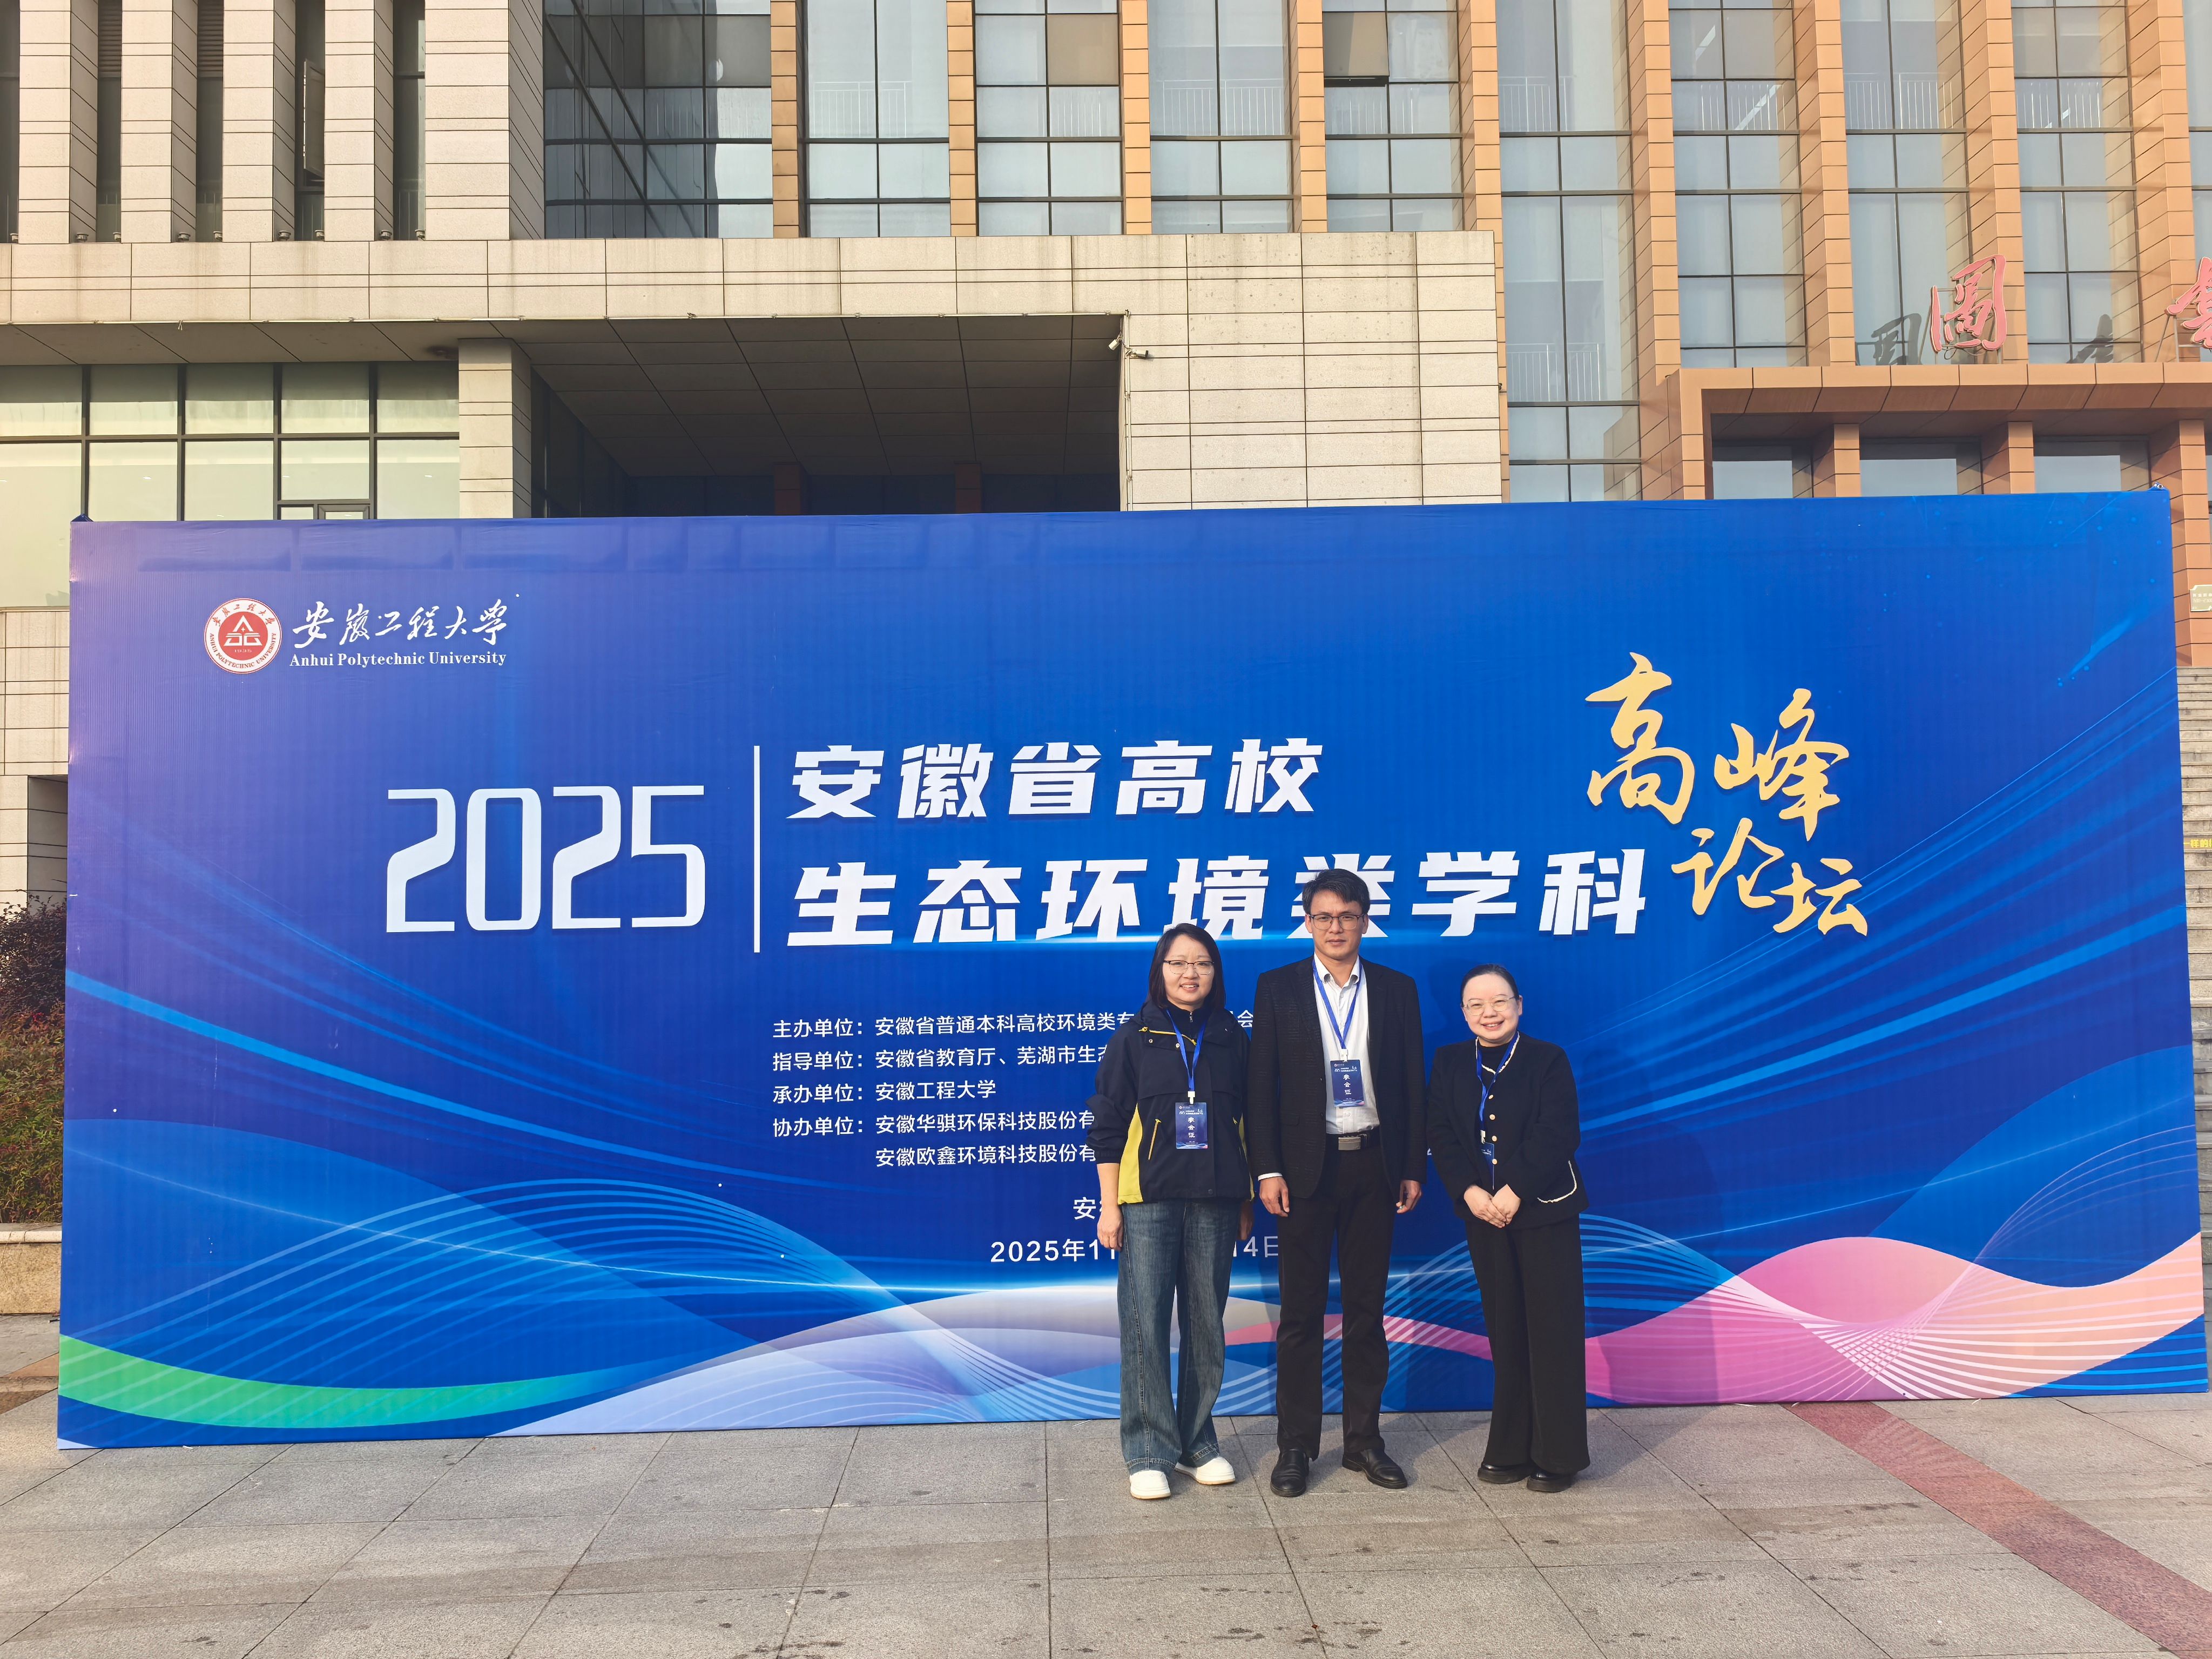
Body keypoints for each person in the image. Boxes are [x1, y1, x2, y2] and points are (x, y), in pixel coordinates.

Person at [1246, 868, 1426, 1496]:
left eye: (1347, 916)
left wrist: (1411, 1165)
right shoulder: (1278, 988)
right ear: (1308, 923)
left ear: (1364, 921)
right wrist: (1267, 1169)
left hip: (1373, 1165)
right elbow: (1260, 1087)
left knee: (1365, 1313)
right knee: (1299, 1315)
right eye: (1323, 917)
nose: (1335, 928)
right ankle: (1296, 1446)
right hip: (1303, 1172)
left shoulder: (1397, 989)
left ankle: (1363, 1442)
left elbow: (1411, 1084)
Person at [1088, 923, 1255, 1500]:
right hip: (1147, 1202)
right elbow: (1107, 1128)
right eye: (1178, 963)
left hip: (1215, 1201)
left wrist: (1245, 1198)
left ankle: (1197, 1442)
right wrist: (1110, 1206)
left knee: (1208, 1325)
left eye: (1202, 964)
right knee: (1145, 1324)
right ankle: (1148, 1450)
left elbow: (1248, 1123)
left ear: (1216, 973)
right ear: (1159, 971)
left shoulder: (1231, 1036)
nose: (1191, 974)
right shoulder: (1133, 1038)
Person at [1427, 963, 1590, 1492]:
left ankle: (1558, 1455)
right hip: (1484, 1217)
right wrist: (1470, 1193)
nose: (1489, 1013)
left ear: (1519, 1006)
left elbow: (1558, 1132)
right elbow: (1441, 1134)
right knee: (1506, 1330)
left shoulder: (1547, 1059)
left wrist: (1514, 1189)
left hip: (1543, 1211)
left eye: (1499, 1002)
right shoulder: (1450, 1062)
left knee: (1552, 1332)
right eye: (1476, 1005)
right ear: (1463, 1013)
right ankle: (1511, 1447)